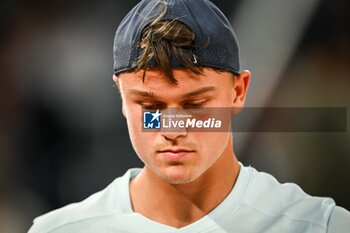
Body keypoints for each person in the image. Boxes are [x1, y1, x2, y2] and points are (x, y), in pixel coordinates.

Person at [28, 0, 350, 232]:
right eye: (150, 108)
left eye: (195, 104)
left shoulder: (319, 226)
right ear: (122, 99)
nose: (173, 128)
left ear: (238, 92)